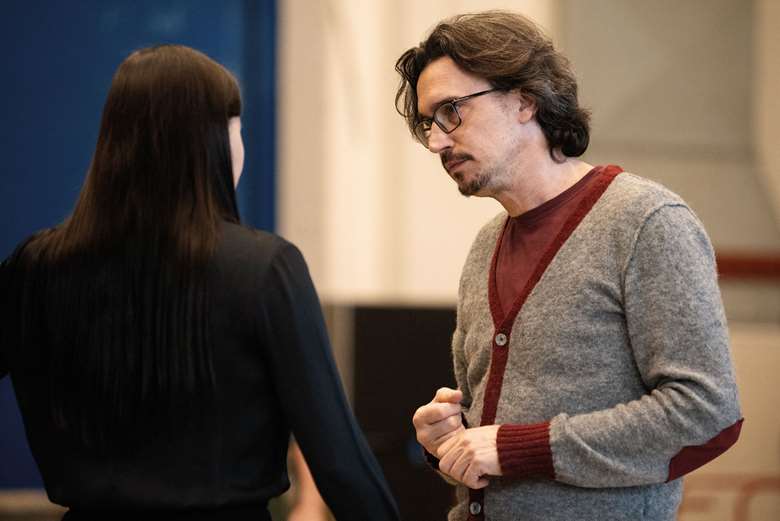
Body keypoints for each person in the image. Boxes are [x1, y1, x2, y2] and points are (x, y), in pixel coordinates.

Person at [0, 44, 399, 521]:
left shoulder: (37, 264)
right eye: (238, 129)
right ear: (214, 142)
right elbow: (339, 461)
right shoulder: (264, 268)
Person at [395, 11, 742, 521]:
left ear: (524, 100)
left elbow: (707, 415)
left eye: (451, 111)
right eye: (428, 123)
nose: (437, 142)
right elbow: (486, 447)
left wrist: (520, 448)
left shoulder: (645, 222)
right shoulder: (485, 246)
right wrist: (448, 442)